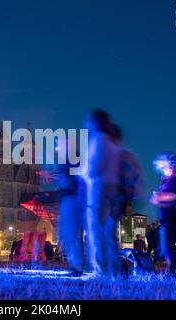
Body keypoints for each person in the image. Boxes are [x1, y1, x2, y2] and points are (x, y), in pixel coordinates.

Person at [83, 109, 122, 276]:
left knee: (95, 229)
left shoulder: (98, 141)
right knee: (107, 233)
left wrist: (85, 174)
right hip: (112, 188)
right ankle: (111, 271)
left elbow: (94, 169)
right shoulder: (113, 144)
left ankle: (100, 270)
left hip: (99, 188)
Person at [57, 136, 87, 276]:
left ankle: (77, 265)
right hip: (71, 198)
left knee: (69, 233)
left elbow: (76, 179)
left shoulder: (73, 160)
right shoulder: (71, 160)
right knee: (68, 233)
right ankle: (77, 264)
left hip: (72, 198)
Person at [150, 152, 176, 273]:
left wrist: (159, 197)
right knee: (166, 248)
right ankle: (172, 272)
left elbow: (174, 196)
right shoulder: (165, 180)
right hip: (166, 219)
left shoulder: (175, 179)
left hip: (172, 219)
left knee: (168, 248)